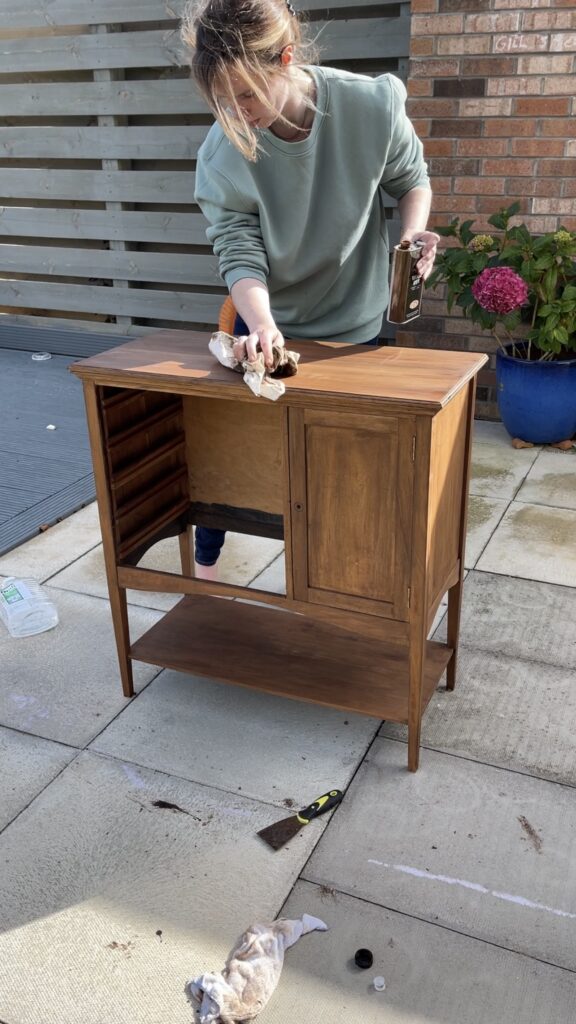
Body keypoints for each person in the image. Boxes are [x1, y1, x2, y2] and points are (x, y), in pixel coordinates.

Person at [181, 0, 440, 579]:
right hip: (270, 320)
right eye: (220, 101)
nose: (236, 114)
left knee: (348, 466)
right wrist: (264, 325)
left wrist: (414, 233)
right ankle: (207, 569)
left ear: (286, 59)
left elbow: (411, 179)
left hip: (358, 324)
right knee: (230, 457)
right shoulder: (223, 150)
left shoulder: (369, 105)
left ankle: (342, 577)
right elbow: (237, 247)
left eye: (246, 95)